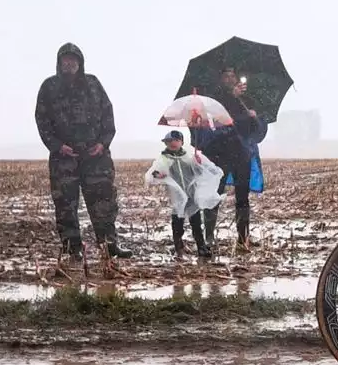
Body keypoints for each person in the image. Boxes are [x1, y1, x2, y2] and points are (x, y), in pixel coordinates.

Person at [34, 42, 133, 266]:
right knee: (66, 205)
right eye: (65, 61)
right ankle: (72, 250)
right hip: (64, 159)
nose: (69, 64)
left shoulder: (93, 84)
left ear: (80, 62)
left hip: (95, 156)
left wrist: (103, 143)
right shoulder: (49, 87)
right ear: (59, 63)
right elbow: (42, 121)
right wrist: (58, 146)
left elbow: (108, 114)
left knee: (104, 203)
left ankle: (109, 246)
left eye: (73, 60)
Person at [191, 67, 263, 250]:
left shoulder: (248, 100)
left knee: (242, 197)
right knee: (215, 194)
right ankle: (209, 238)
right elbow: (220, 121)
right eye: (226, 76)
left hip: (242, 154)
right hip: (219, 154)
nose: (230, 79)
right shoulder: (212, 99)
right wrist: (232, 97)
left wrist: (255, 119)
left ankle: (243, 238)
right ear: (220, 79)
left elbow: (257, 132)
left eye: (233, 76)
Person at [144, 130, 222, 259]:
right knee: (178, 223)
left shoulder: (190, 156)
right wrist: (158, 174)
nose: (172, 143)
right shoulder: (164, 158)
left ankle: (201, 248)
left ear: (181, 142)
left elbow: (203, 170)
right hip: (177, 197)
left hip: (191, 195)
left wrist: (199, 162)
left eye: (175, 140)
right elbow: (152, 174)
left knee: (196, 222)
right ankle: (179, 249)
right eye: (169, 141)